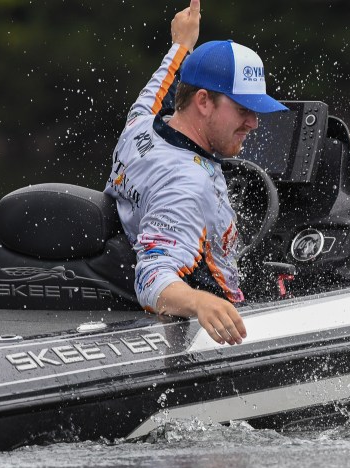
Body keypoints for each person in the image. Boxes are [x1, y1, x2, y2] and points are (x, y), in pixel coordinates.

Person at [105, 0, 286, 345]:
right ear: (202, 101)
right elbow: (152, 276)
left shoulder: (141, 123)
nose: (254, 122)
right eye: (243, 109)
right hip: (226, 320)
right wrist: (200, 303)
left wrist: (181, 45)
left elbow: (162, 85)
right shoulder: (186, 186)